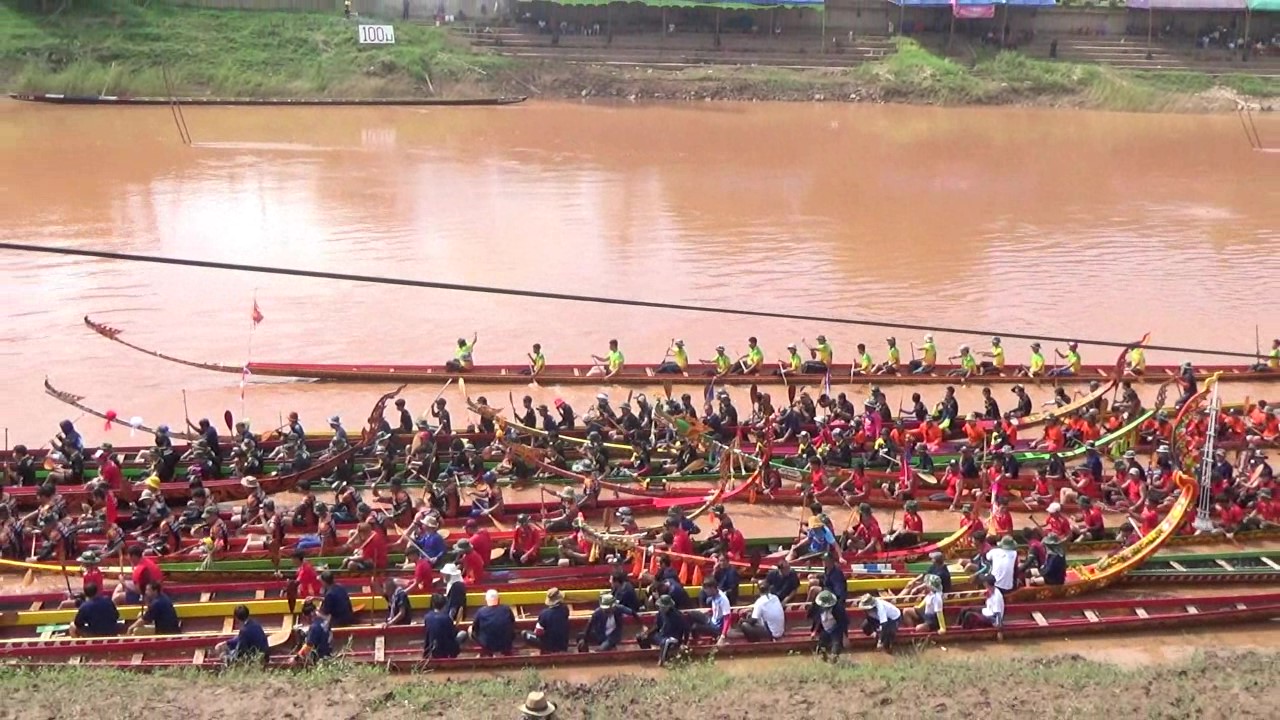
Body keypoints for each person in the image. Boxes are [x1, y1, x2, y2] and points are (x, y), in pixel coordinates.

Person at [464, 589, 516, 655]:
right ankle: (504, 650)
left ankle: (486, 651)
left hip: (488, 644)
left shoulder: (481, 611)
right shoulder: (506, 609)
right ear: (499, 599)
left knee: (470, 630)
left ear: (486, 599)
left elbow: (474, 628)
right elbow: (513, 622)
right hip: (506, 642)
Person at [639, 594, 687, 665]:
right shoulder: (660, 613)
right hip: (662, 635)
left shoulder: (677, 616)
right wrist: (646, 633)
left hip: (673, 638)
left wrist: (683, 643)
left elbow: (685, 629)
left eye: (663, 607)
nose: (661, 608)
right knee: (641, 637)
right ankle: (647, 655)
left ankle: (662, 660)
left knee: (666, 642)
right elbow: (656, 625)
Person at [524, 587, 570, 653]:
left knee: (525, 633)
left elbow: (538, 633)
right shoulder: (565, 609)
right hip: (563, 644)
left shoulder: (544, 614)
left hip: (549, 646)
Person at [688, 578, 733, 645]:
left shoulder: (723, 600)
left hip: (717, 628)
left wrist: (723, 636)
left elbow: (727, 618)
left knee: (695, 627)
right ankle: (695, 638)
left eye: (706, 590)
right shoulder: (714, 594)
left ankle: (696, 643)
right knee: (691, 614)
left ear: (712, 589)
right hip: (712, 620)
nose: (705, 592)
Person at [808, 589, 847, 661]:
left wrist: (844, 636)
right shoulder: (818, 607)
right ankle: (824, 660)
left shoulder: (838, 608)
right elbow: (817, 619)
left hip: (836, 629)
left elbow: (843, 622)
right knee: (821, 648)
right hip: (825, 629)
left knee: (836, 647)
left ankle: (834, 661)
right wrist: (814, 631)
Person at [292, 601, 333, 665]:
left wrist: (296, 659)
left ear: (309, 616)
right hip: (328, 651)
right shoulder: (324, 621)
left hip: (320, 656)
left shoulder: (314, 627)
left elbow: (308, 646)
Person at [422, 592, 461, 659]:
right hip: (445, 649)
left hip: (433, 648)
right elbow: (452, 635)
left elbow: (427, 635)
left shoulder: (427, 617)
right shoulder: (447, 618)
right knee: (463, 634)